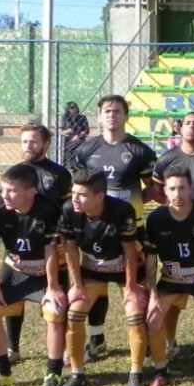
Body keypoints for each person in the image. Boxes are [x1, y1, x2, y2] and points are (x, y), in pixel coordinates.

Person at [71, 94, 157, 361]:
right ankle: (97, 340)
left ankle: (147, 342)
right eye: (107, 111)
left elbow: (153, 188)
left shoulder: (140, 150)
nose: (112, 115)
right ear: (99, 116)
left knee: (136, 287)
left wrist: (127, 207)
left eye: (117, 111)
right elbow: (79, 187)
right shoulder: (86, 150)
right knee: (97, 283)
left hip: (132, 229)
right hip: (95, 228)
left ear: (126, 116)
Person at [0, 164, 66, 386]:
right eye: (3, 189)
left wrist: (53, 287)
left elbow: (50, 252)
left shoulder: (48, 211)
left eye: (12, 190)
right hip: (15, 270)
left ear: (31, 191)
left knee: (55, 312)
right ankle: (2, 373)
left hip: (46, 272)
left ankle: (53, 374)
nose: (5, 195)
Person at [55, 170, 146, 386]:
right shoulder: (68, 210)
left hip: (124, 269)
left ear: (100, 196)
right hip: (93, 271)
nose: (75, 199)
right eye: (73, 193)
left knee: (135, 313)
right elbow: (70, 249)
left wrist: (131, 287)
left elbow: (130, 251)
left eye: (82, 195)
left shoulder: (122, 210)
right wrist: (77, 285)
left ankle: (136, 374)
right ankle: (77, 374)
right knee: (74, 313)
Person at [142, 166, 194, 386]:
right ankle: (160, 372)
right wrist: (152, 296)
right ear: (164, 191)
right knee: (153, 317)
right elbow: (150, 261)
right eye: (172, 189)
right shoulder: (156, 219)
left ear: (191, 189)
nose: (177, 193)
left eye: (181, 188)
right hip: (172, 280)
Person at [3, 122, 73, 364]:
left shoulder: (60, 174)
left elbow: (67, 209)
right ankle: (13, 349)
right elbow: (5, 208)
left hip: (52, 246)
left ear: (46, 144)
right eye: (24, 141)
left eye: (33, 141)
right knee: (14, 297)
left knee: (59, 297)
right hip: (21, 246)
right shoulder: (14, 172)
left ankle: (64, 348)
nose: (28, 146)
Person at [59, 101, 89, 166]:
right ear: (68, 109)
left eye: (75, 107)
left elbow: (86, 131)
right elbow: (61, 131)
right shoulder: (65, 118)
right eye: (71, 108)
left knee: (80, 160)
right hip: (69, 143)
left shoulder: (82, 117)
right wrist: (67, 131)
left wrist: (78, 136)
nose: (73, 109)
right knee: (69, 162)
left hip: (80, 141)